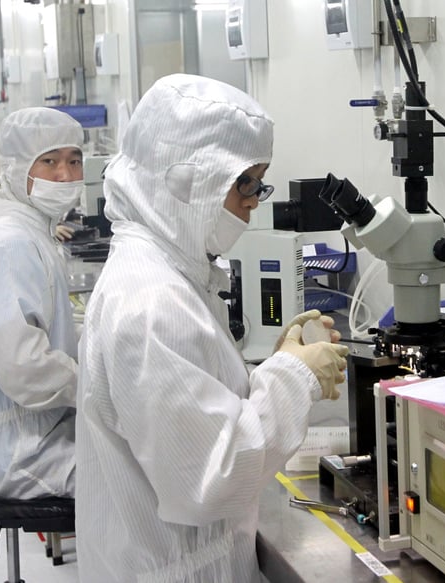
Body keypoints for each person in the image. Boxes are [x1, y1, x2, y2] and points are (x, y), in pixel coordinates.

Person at [75, 74, 349, 582]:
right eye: (244, 183)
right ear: (187, 179)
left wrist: (278, 366)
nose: (254, 201)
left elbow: (197, 407)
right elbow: (211, 475)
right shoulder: (152, 303)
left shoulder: (168, 271)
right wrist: (293, 377)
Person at [0, 107, 85, 500]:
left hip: (38, 431)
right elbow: (26, 371)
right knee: (152, 483)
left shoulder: (33, 234)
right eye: (49, 161)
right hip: (18, 453)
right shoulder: (10, 246)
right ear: (15, 168)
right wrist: (102, 388)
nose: (64, 174)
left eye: (74, 160)